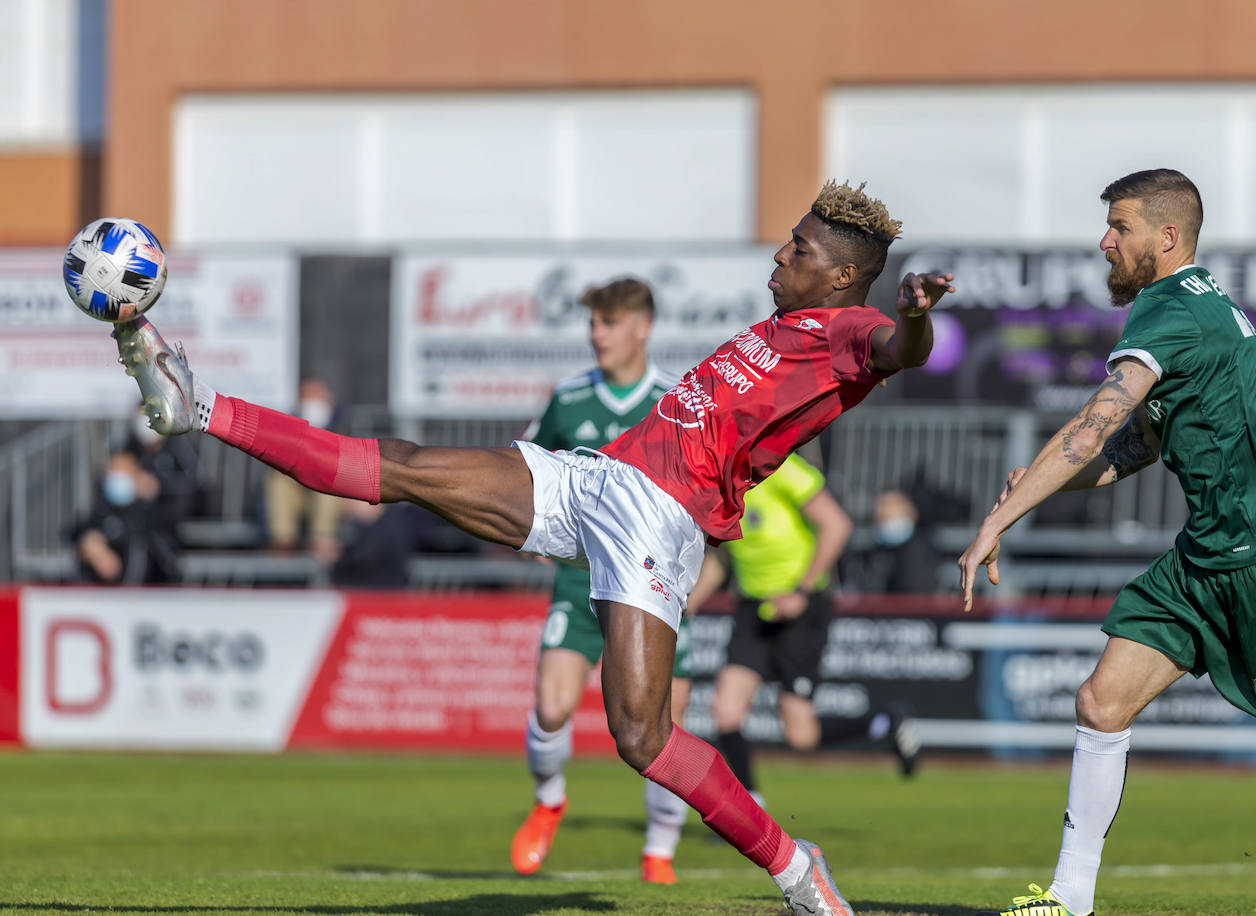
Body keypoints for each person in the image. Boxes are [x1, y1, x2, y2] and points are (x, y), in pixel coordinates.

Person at [112, 179, 954, 916]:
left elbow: (897, 351)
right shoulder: (786, 320)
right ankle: (202, 406)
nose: (780, 251)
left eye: (798, 246)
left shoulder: (854, 329)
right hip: (597, 481)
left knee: (642, 737)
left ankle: (795, 868)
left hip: (656, 520)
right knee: (402, 467)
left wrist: (913, 317)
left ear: (842, 273)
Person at [958, 169, 1256, 916]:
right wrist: (1043, 486)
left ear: (1167, 236)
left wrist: (999, 517)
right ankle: (1068, 899)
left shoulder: (1169, 308)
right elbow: (1133, 448)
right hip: (1202, 559)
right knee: (1101, 701)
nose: (1105, 241)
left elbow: (1092, 424)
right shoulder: (1201, 307)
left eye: (1120, 227)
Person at [508, 276, 696, 883]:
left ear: (642, 327)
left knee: (666, 728)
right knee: (551, 706)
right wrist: (532, 525)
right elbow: (529, 467)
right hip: (578, 584)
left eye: (608, 323)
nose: (596, 335)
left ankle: (658, 855)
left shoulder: (675, 400)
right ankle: (549, 799)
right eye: (592, 323)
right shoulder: (569, 399)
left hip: (652, 585)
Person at [695, 453, 921, 804]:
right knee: (726, 709)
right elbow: (721, 558)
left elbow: (837, 525)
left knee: (802, 735)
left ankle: (885, 722)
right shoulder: (722, 485)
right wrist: (687, 606)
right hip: (753, 608)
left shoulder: (781, 468)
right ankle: (749, 806)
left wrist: (802, 589)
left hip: (803, 607)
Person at [263, 377, 345, 565]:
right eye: (307, 396)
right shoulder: (288, 426)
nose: (313, 401)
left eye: (317, 395)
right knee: (279, 481)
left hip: (331, 494)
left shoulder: (343, 425)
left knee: (331, 481)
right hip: (298, 490)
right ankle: (282, 542)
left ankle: (321, 540)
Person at [72, 449, 181, 585]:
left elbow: (162, 554)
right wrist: (91, 547)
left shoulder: (155, 511)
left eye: (121, 471)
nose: (115, 477)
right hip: (106, 595)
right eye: (112, 471)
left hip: (151, 594)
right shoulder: (102, 509)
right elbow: (81, 532)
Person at [841, 488, 940, 595]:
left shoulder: (920, 550)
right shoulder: (876, 552)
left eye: (889, 518)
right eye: (881, 519)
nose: (884, 524)